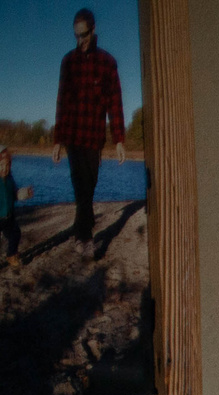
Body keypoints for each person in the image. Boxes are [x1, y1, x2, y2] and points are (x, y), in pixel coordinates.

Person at [53, 7, 124, 249]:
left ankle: (84, 224)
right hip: (72, 135)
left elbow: (115, 102)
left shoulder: (107, 62)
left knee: (89, 186)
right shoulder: (68, 62)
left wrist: (119, 139)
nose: (80, 41)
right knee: (79, 186)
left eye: (83, 35)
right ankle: (84, 237)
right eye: (76, 36)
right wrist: (57, 140)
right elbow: (61, 102)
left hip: (94, 137)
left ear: (93, 30)